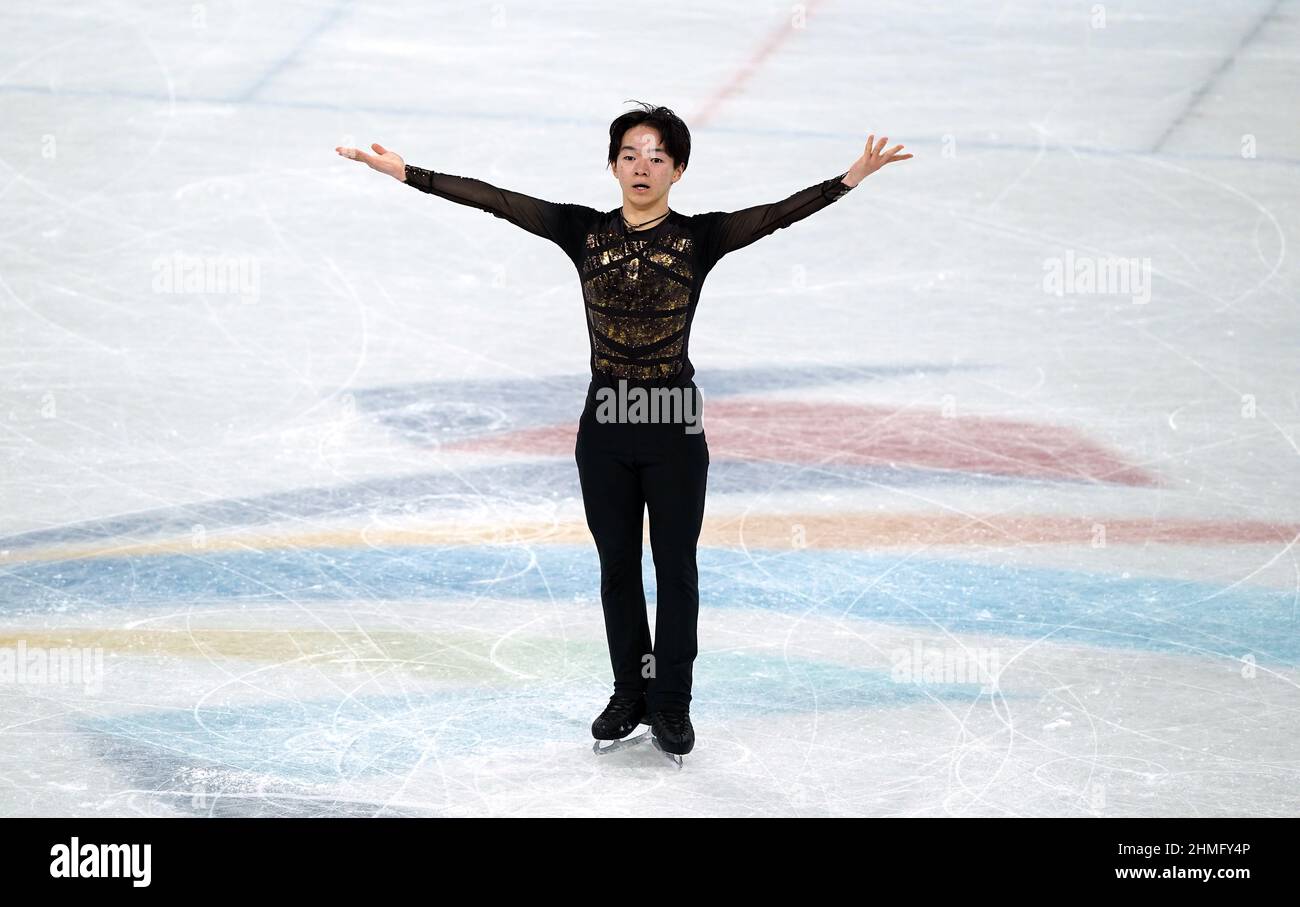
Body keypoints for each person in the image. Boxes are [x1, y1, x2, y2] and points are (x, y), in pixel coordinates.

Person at [336, 100, 911, 760]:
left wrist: (848, 179)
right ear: (612, 165)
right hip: (605, 430)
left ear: (679, 170)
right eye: (632, 154)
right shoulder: (580, 230)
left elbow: (776, 216)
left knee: (675, 569)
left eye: (658, 157)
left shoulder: (702, 237)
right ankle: (628, 694)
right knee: (617, 569)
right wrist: (409, 173)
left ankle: (670, 702)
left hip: (673, 431)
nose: (643, 166)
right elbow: (495, 199)